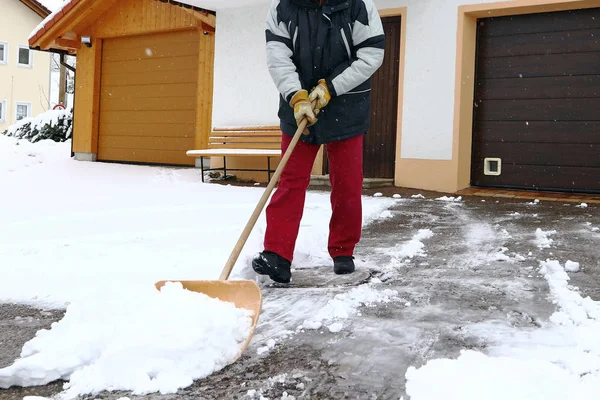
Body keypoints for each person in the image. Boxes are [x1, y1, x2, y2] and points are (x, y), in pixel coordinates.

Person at [252, 0, 385, 283]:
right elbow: (278, 57)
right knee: (289, 182)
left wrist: (331, 87)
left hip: (346, 107)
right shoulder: (283, 9)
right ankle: (277, 254)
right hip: (298, 107)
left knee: (347, 183)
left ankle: (342, 251)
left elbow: (371, 54)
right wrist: (296, 95)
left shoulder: (358, 7)